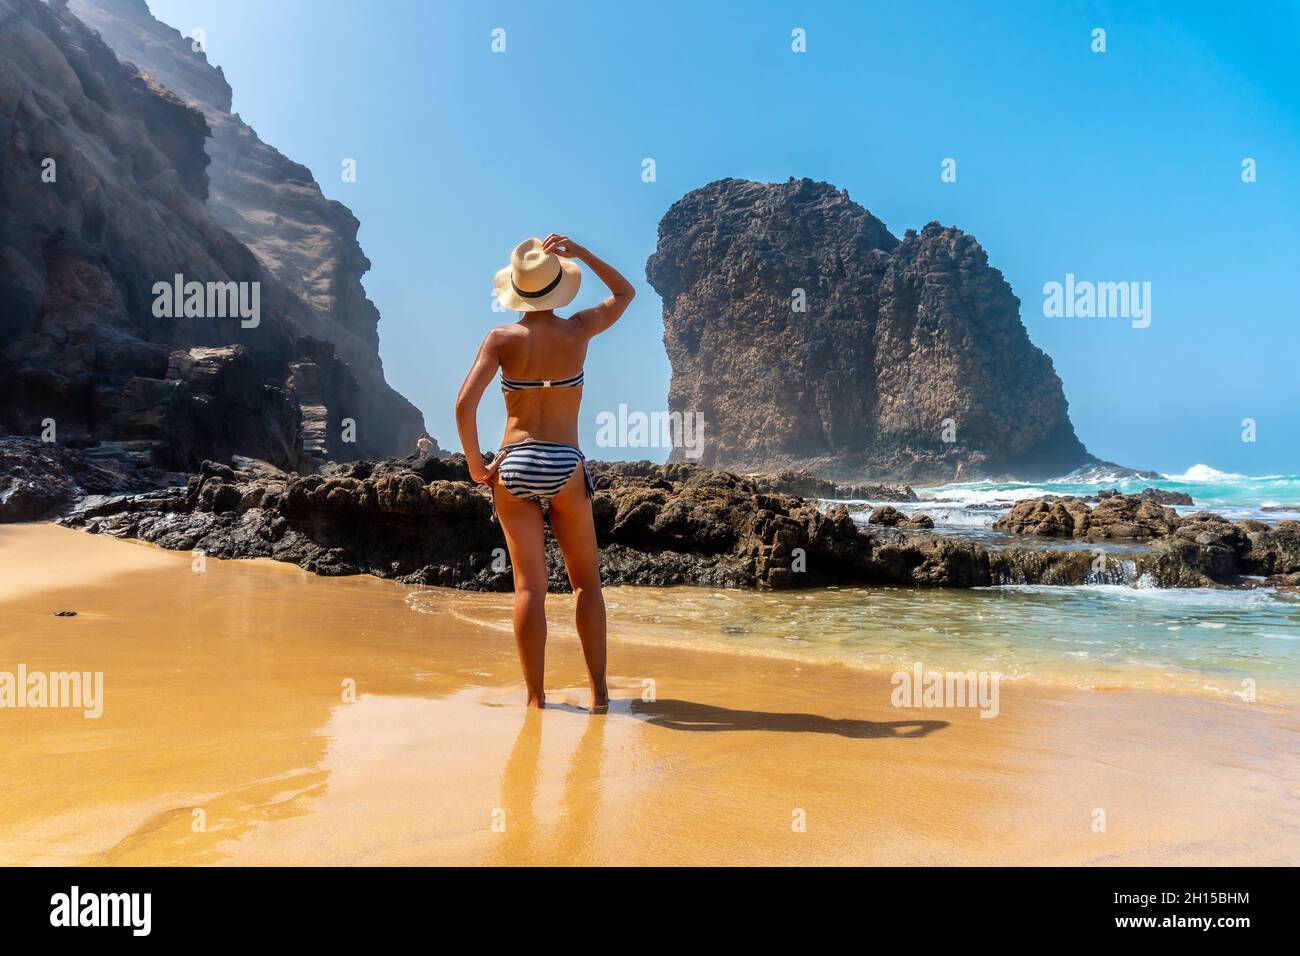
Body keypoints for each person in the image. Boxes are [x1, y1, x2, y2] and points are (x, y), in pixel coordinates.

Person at [455, 235, 634, 711]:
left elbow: (463, 405)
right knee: (585, 585)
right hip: (564, 463)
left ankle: (536, 699)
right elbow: (624, 294)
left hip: (513, 462)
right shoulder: (577, 330)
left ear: (516, 289)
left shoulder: (501, 339)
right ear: (558, 287)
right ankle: (598, 694)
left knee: (530, 588)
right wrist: (584, 254)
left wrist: (477, 465)